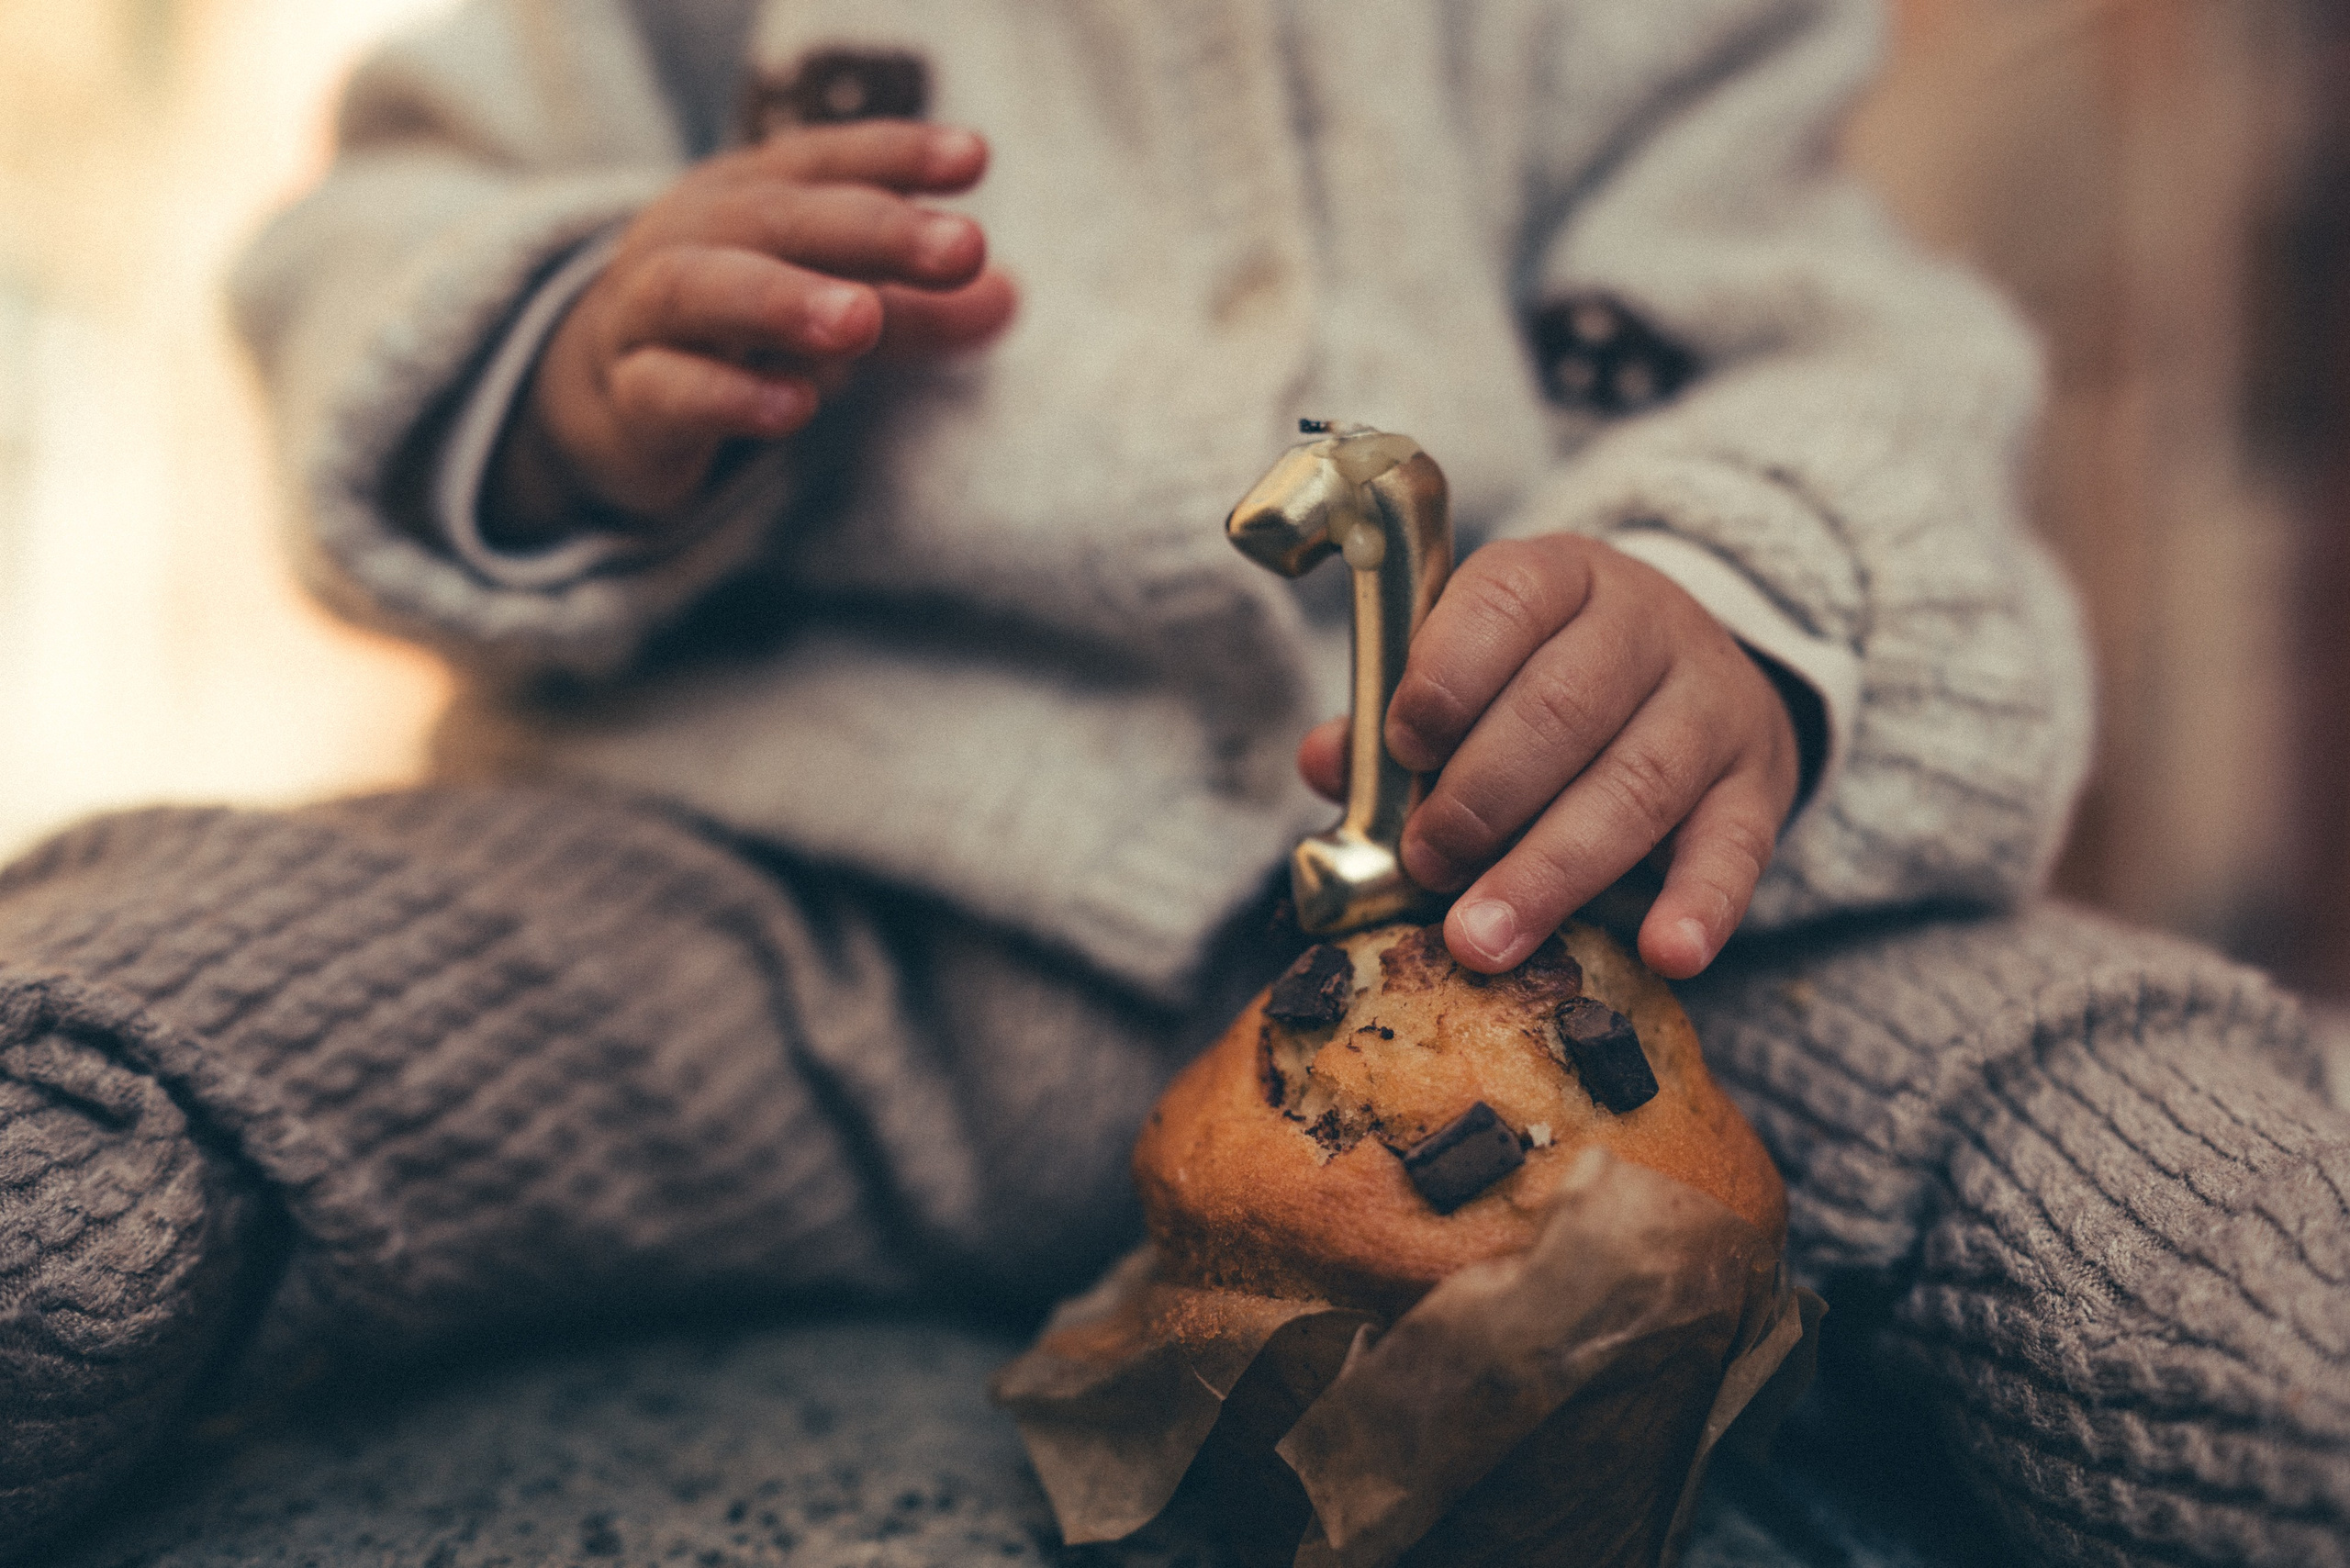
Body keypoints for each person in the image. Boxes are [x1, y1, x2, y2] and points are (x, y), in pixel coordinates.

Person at [0, 1, 2341, 1563]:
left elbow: (1856, 351)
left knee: (2070, 1082)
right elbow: (393, 237)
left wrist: (1740, 600)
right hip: (778, 881)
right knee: (206, 1002)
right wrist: (564, 342)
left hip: (1545, 929)